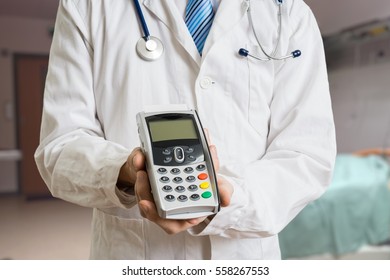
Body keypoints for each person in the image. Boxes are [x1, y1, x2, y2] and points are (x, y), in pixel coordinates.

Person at [35, 0, 336, 260]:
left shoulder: (288, 13)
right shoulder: (88, 6)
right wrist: (127, 170)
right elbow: (60, 145)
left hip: (245, 258)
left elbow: (306, 153)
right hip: (135, 256)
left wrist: (231, 200)